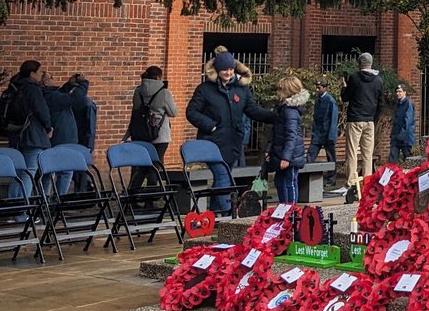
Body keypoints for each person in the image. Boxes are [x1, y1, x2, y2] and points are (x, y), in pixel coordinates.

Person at [186, 50, 274, 213]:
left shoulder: (241, 89)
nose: (228, 73)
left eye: (231, 69)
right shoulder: (205, 89)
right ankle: (228, 212)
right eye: (224, 70)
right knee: (223, 176)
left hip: (233, 142)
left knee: (223, 178)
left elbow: (253, 110)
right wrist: (210, 125)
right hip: (212, 143)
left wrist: (275, 116)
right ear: (217, 71)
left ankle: (214, 215)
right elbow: (191, 112)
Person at [0, 60, 51, 198]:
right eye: (39, 72)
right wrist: (48, 127)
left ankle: (13, 207)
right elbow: (42, 111)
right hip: (32, 135)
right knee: (29, 172)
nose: (41, 75)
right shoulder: (32, 89)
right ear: (32, 73)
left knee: (18, 173)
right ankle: (22, 211)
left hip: (15, 134)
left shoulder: (13, 88)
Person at [126, 67, 177, 197]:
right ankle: (150, 199)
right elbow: (173, 112)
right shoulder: (164, 92)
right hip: (159, 135)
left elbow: (136, 110)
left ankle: (131, 197)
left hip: (141, 134)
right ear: (159, 77)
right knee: (154, 166)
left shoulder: (138, 91)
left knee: (142, 167)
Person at [341, 52, 384, 203]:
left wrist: (344, 88)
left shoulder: (354, 78)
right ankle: (367, 182)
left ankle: (351, 182)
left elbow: (346, 97)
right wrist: (374, 117)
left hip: (355, 119)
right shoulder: (378, 80)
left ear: (360, 64)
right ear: (371, 63)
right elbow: (380, 102)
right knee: (368, 154)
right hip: (369, 120)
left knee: (352, 152)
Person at [266, 75, 308, 205]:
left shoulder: (290, 112)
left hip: (290, 155)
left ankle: (291, 210)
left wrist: (286, 157)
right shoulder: (283, 109)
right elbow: (275, 132)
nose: (278, 93)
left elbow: (292, 136)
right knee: (279, 181)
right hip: (281, 152)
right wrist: (270, 150)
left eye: (280, 90)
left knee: (290, 181)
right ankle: (284, 206)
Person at [308, 76, 339, 183]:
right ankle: (307, 176)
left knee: (331, 157)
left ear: (325, 88)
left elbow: (333, 118)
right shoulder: (318, 100)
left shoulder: (330, 101)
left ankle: (331, 179)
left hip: (327, 133)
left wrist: (331, 135)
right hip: (318, 133)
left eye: (319, 87)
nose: (317, 90)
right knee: (310, 155)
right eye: (316, 87)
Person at [389, 84, 417, 163]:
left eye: (400, 91)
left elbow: (408, 120)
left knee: (408, 160)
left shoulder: (408, 103)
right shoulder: (397, 103)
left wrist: (402, 134)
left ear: (405, 92)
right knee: (392, 160)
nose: (398, 93)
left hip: (405, 137)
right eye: (397, 92)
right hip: (396, 136)